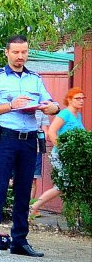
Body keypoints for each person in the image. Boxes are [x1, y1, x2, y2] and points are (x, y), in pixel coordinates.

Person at [0, 36, 59, 257]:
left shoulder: (35, 79)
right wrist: (11, 105)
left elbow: (53, 104)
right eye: (16, 52)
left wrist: (50, 107)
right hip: (6, 138)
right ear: (7, 53)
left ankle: (19, 240)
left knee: (23, 191)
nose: (20, 57)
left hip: (29, 139)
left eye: (24, 52)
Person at [29, 88, 86, 218]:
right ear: (69, 100)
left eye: (83, 98)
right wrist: (62, 149)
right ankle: (34, 207)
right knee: (62, 185)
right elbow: (51, 132)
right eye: (78, 98)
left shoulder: (78, 116)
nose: (81, 101)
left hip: (73, 156)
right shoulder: (64, 114)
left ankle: (75, 215)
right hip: (61, 155)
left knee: (74, 183)